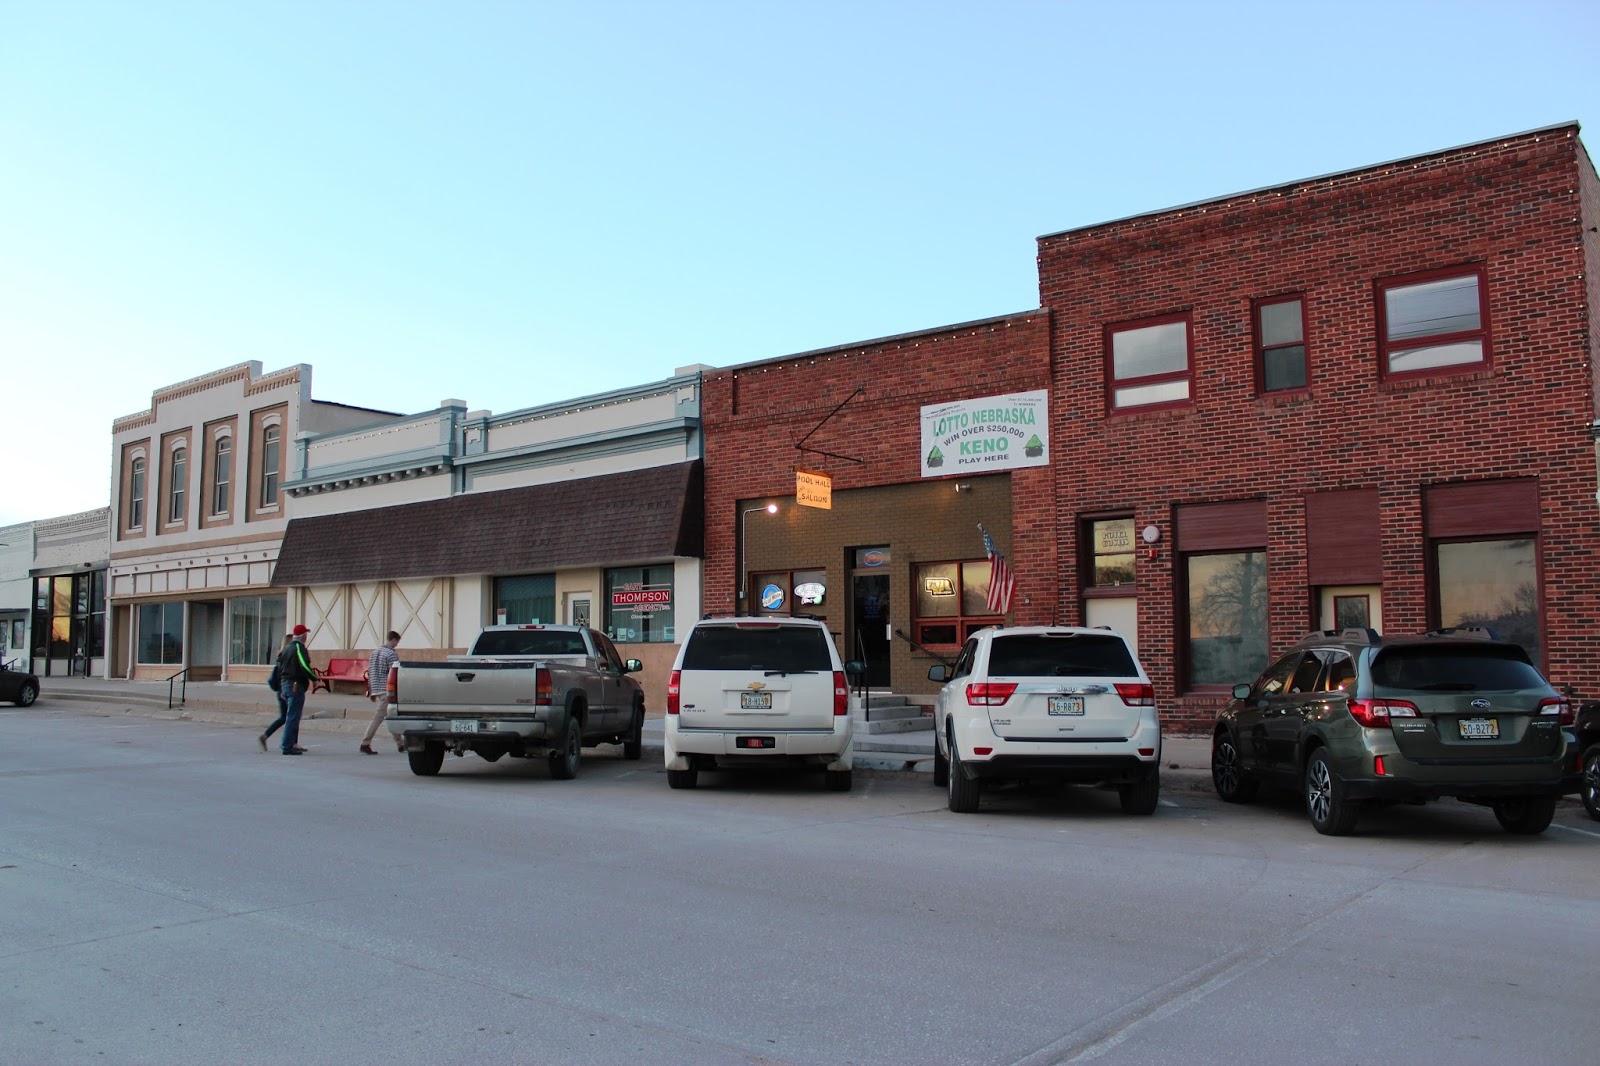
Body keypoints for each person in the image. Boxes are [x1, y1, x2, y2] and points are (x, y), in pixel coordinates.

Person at [274, 624, 317, 755]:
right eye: (306, 634)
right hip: (295, 685)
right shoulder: (299, 648)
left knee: (291, 715)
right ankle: (287, 746)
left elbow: (279, 668)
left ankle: (292, 743)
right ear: (303, 636)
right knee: (293, 716)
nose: (306, 637)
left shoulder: (286, 649)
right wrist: (314, 678)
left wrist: (280, 687)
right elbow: (304, 665)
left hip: (286, 685)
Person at [360, 631, 401, 754]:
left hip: (377, 688)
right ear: (393, 640)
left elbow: (370, 672)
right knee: (378, 718)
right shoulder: (391, 654)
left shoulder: (375, 652)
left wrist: (371, 690)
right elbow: (395, 674)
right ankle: (365, 743)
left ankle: (401, 743)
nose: (396, 645)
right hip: (387, 690)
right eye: (397, 642)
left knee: (391, 716)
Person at [257, 633, 295, 752]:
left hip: (280, 690)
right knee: (291, 716)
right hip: (284, 690)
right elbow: (283, 676)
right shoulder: (287, 658)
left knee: (286, 717)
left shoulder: (281, 657)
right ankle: (289, 742)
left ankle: (267, 736)